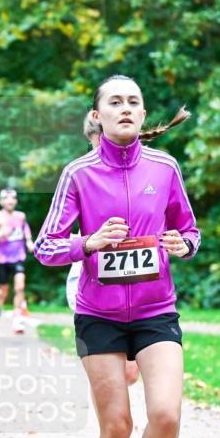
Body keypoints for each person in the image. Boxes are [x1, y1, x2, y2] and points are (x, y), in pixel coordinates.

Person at [35, 75, 195, 438]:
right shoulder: (78, 174)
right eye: (115, 101)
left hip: (155, 310)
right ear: (97, 115)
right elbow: (45, 247)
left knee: (166, 415)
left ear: (143, 115)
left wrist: (183, 244)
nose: (125, 108)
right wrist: (88, 243)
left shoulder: (165, 167)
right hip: (99, 316)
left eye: (133, 102)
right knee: (117, 425)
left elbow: (189, 230)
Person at [66, 111, 140, 387]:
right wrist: (87, 241)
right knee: (108, 373)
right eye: (98, 142)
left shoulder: (143, 168)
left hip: (138, 282)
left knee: (130, 373)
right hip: (91, 281)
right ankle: (105, 406)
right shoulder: (82, 173)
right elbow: (54, 238)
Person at [0, 187, 35, 333]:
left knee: (20, 287)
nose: (10, 201)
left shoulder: (20, 216)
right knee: (3, 289)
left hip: (18, 257)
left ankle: (17, 320)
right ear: (1, 201)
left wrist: (29, 241)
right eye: (6, 198)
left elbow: (25, 228)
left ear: (16, 201)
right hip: (2, 259)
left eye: (13, 198)